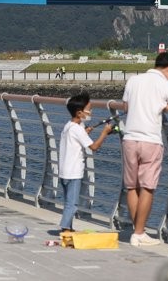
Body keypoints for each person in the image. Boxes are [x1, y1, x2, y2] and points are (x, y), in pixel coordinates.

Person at [122, 51, 168, 247]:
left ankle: (138, 231)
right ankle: (139, 233)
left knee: (132, 186)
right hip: (151, 141)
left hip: (130, 138)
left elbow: (125, 107)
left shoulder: (134, 80)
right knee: (148, 187)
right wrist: (165, 105)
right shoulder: (166, 85)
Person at [58, 93, 112, 232]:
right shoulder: (78, 129)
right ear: (79, 112)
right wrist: (104, 133)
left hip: (64, 172)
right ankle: (65, 228)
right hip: (74, 173)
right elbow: (94, 147)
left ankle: (68, 228)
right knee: (73, 203)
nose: (91, 112)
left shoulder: (69, 126)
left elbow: (74, 140)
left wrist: (85, 132)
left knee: (68, 202)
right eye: (89, 109)